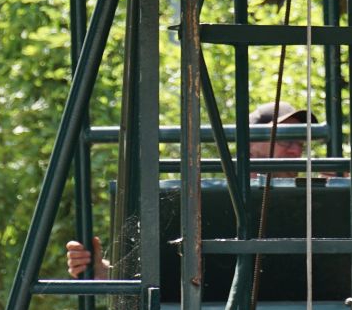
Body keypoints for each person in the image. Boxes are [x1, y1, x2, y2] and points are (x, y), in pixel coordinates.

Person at [66, 100, 317, 278]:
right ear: (251, 142)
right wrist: (99, 270)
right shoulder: (199, 200)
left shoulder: (315, 202)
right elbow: (157, 276)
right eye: (286, 139)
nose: (296, 150)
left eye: (301, 143)